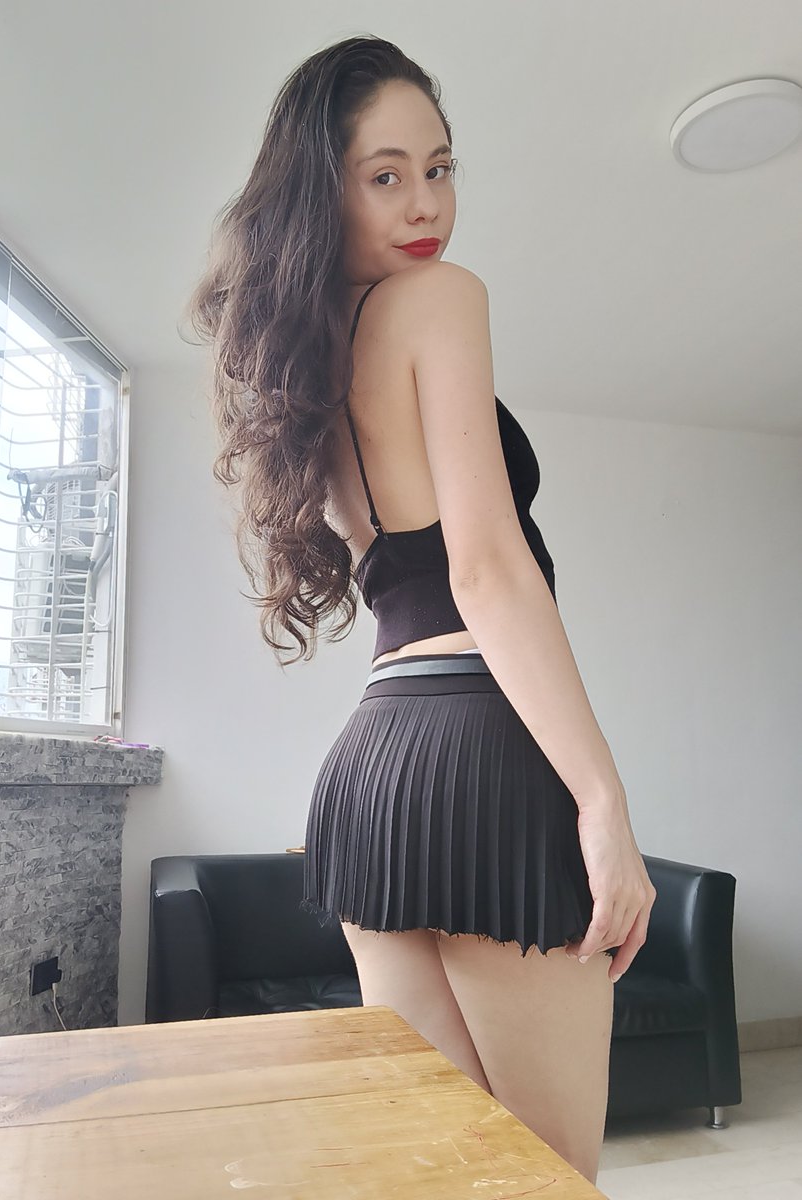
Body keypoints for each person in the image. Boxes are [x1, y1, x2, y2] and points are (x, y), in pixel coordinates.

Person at [187, 33, 656, 1187]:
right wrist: (604, 802)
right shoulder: (439, 300)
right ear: (324, 190)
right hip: (482, 751)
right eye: (385, 174)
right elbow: (486, 569)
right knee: (549, 1174)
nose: (426, 204)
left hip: (371, 774)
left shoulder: (307, 370)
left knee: (441, 1172)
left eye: (439, 168)